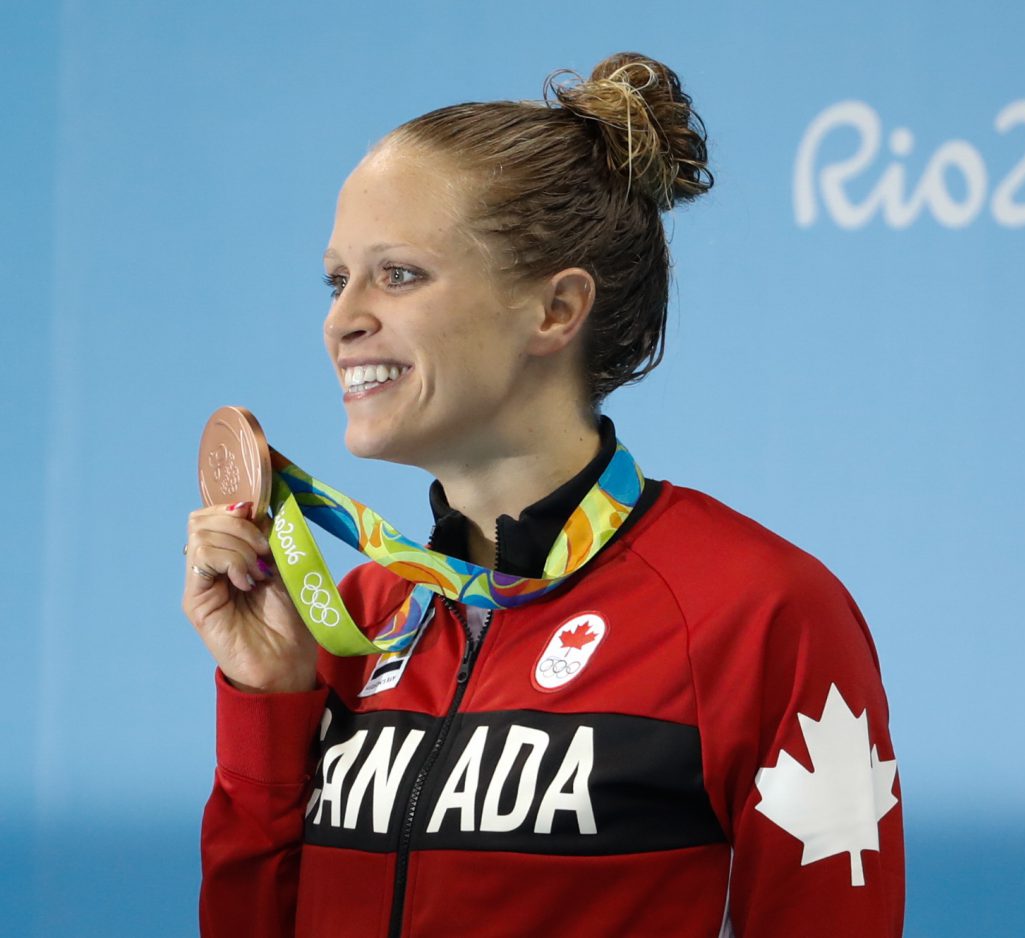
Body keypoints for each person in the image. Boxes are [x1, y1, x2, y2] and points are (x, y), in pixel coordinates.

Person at [183, 51, 905, 937]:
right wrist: (266, 703)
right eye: (339, 280)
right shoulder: (357, 621)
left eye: (397, 274)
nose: (342, 319)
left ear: (555, 311)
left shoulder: (757, 614)